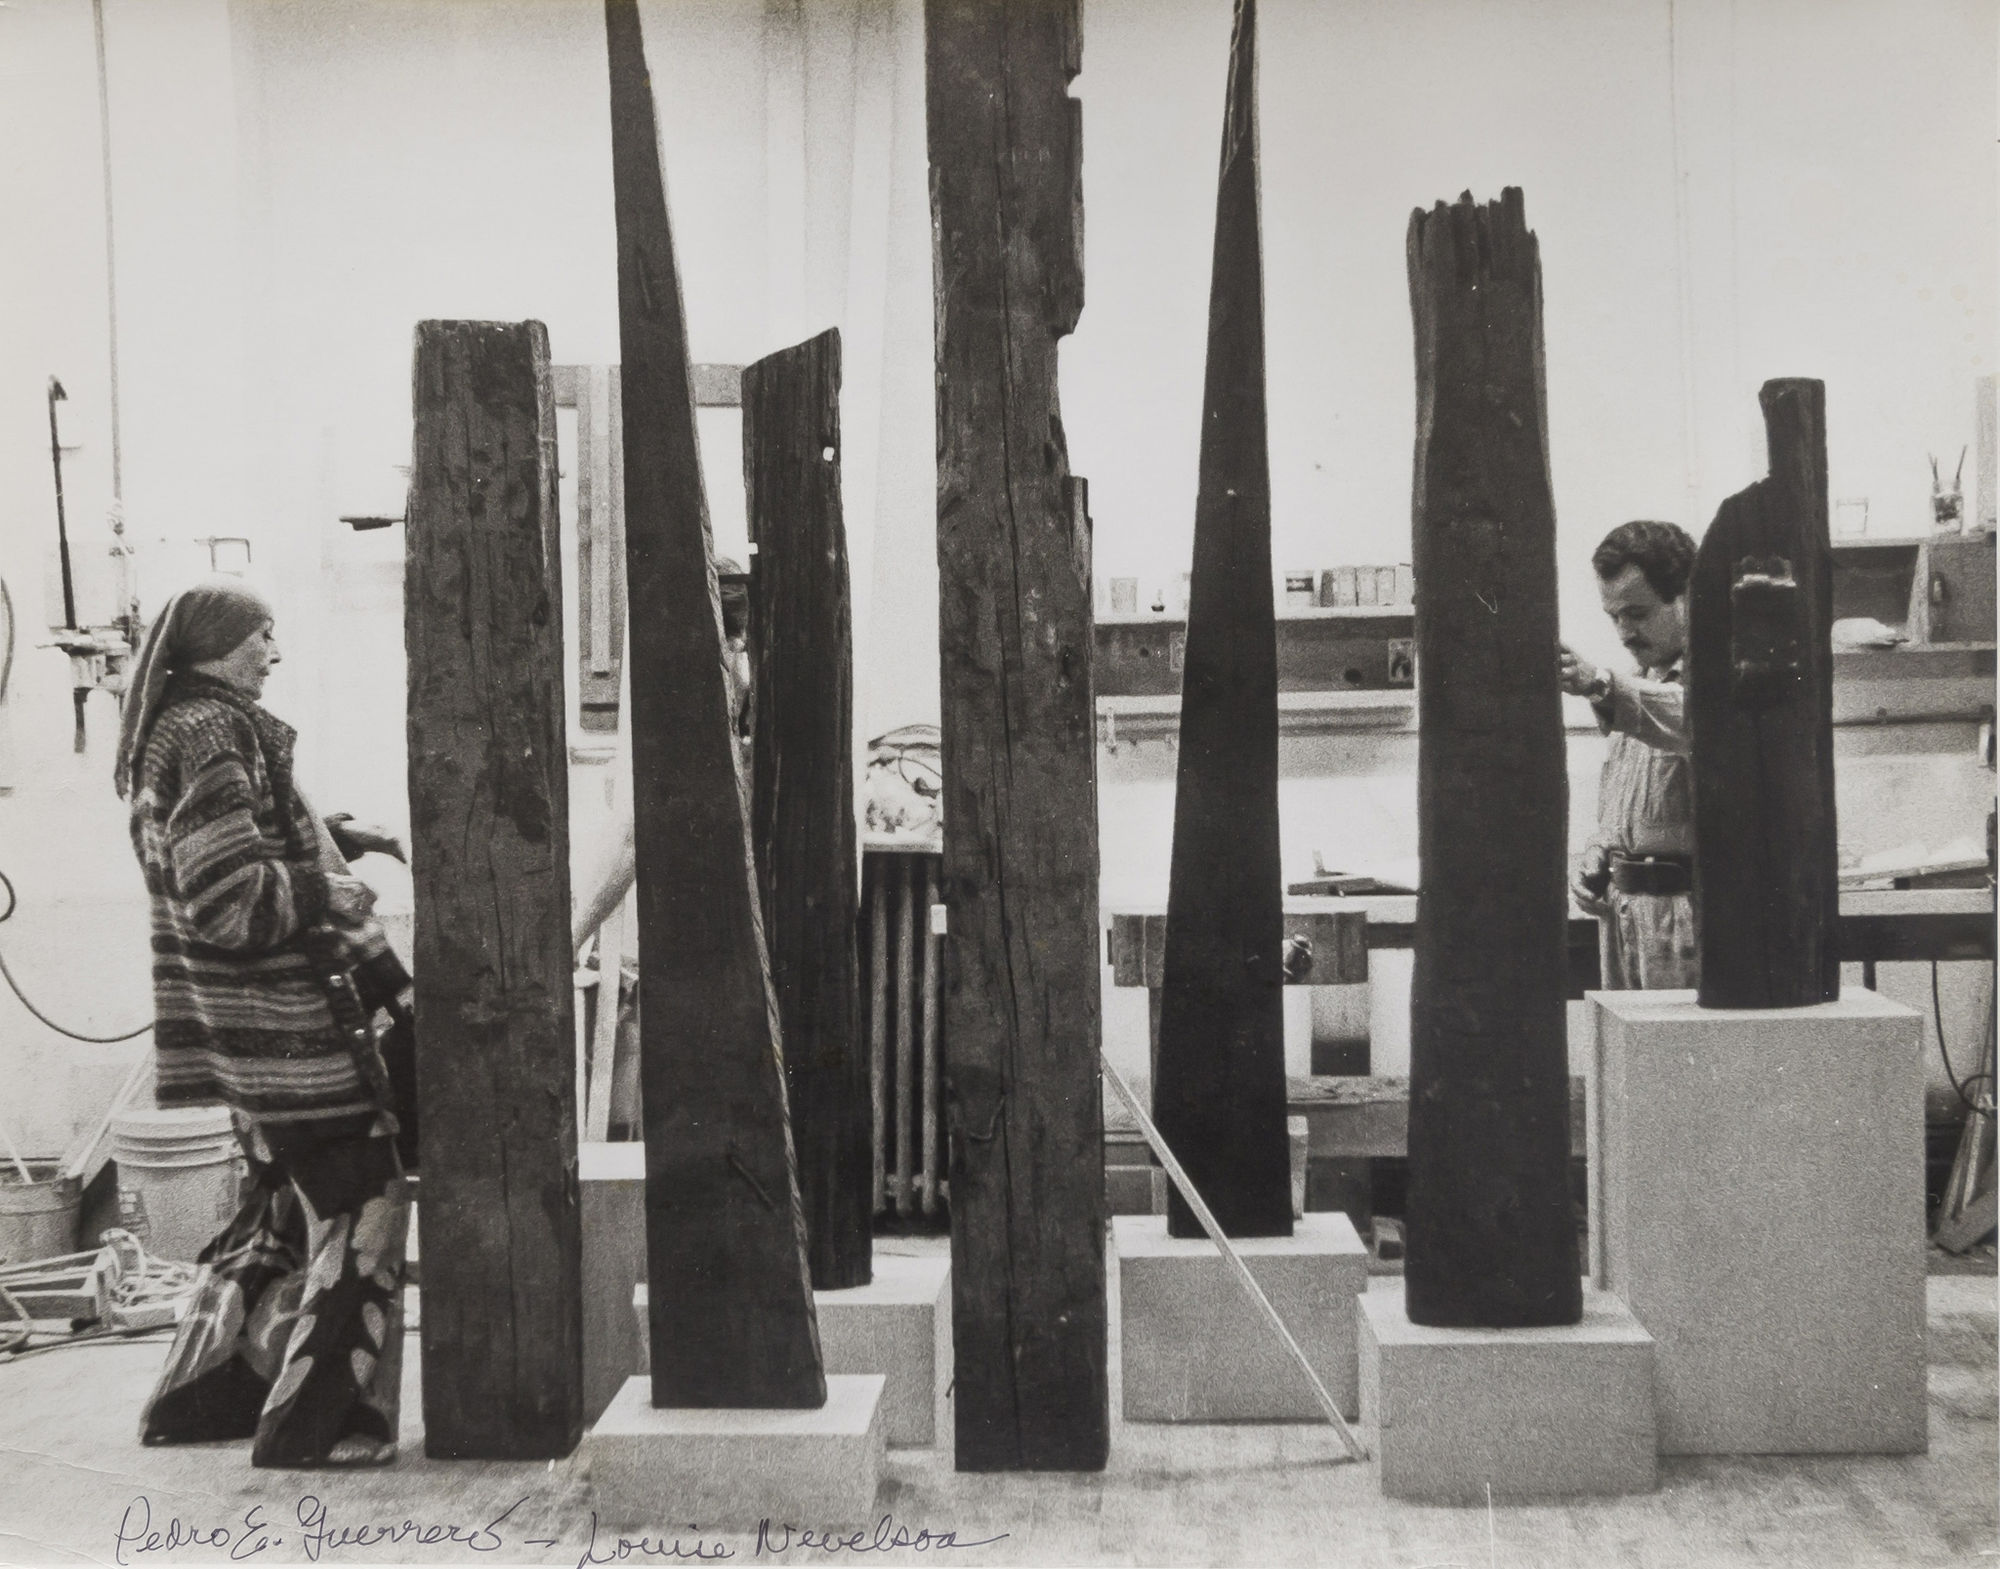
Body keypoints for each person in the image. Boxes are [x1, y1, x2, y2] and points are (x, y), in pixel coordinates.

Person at [112, 578, 409, 1467]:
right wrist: (331, 884)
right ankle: (316, 1426)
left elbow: (232, 837)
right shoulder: (212, 727)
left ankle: (205, 1393)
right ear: (212, 643)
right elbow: (229, 898)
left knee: (283, 1204)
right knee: (367, 1203)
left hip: (241, 1036)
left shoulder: (173, 723)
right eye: (261, 636)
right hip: (287, 1031)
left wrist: (332, 834)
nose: (273, 653)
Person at [1558, 520, 1699, 991]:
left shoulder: (1722, 680)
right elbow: (1634, 808)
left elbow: (1691, 719)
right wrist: (1597, 854)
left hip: (1688, 918)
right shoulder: (1638, 688)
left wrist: (1598, 683)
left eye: (1637, 613)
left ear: (1687, 597)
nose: (1624, 631)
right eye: (1614, 616)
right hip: (1625, 913)